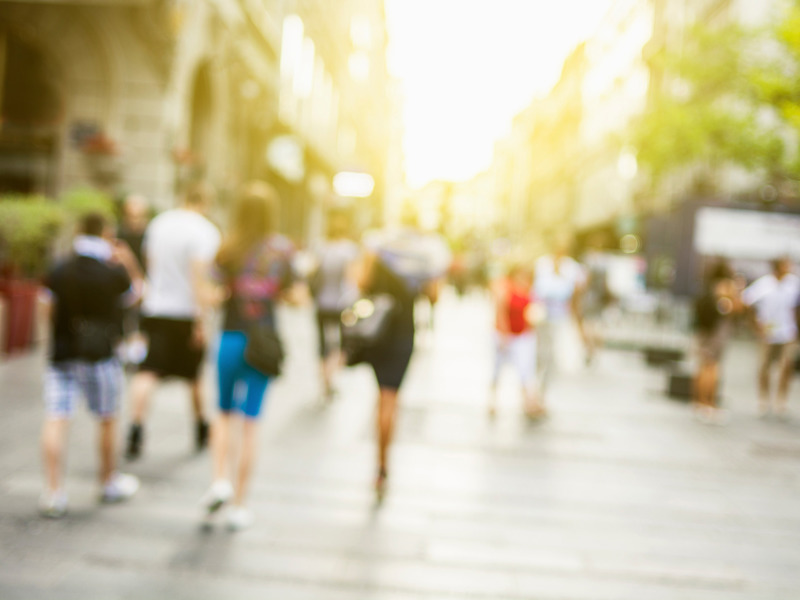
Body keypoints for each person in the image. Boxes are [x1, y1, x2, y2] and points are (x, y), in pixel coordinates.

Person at [200, 182, 295, 530]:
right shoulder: (281, 251)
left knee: (222, 414)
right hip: (262, 343)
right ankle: (240, 505)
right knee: (250, 423)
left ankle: (218, 481)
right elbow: (297, 295)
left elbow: (210, 293)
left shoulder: (228, 247)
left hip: (229, 338)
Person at [39, 212, 143, 517]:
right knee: (107, 416)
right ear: (106, 233)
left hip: (62, 354)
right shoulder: (112, 271)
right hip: (101, 354)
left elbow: (46, 306)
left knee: (56, 417)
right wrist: (129, 262)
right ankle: (108, 480)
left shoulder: (60, 268)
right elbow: (136, 295)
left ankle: (53, 492)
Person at [125, 182, 221, 460]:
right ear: (205, 203)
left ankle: (136, 426)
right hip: (186, 313)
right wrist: (202, 320)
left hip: (156, 308)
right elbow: (198, 277)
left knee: (148, 371)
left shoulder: (159, 224)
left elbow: (150, 263)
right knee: (193, 376)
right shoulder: (205, 231)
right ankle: (201, 427)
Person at [357, 225, 449, 498]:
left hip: (377, 330)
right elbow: (434, 296)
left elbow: (362, 282)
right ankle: (383, 466)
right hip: (403, 334)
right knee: (391, 398)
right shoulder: (425, 255)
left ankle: (379, 461)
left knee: (380, 396)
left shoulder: (379, 247)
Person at [532, 233, 588, 406]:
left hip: (558, 316)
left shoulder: (572, 268)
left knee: (551, 356)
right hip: (540, 315)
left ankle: (542, 392)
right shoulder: (542, 264)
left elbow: (577, 295)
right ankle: (532, 388)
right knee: (539, 353)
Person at [742, 257, 800, 418]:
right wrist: (756, 325)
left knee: (786, 366)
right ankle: (764, 398)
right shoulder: (764, 284)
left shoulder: (793, 283)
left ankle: (780, 400)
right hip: (768, 333)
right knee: (764, 366)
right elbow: (747, 302)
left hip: (788, 332)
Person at [311, 213, 359, 401]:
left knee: (322, 343)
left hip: (321, 303)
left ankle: (324, 380)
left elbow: (312, 273)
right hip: (341, 304)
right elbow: (350, 279)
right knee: (339, 344)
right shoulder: (349, 250)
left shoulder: (321, 248)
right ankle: (331, 377)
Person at [489, 263, 543, 418]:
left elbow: (533, 314)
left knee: (526, 370)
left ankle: (528, 403)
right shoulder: (505, 288)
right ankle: (493, 400)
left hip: (523, 336)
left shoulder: (529, 291)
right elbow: (500, 312)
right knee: (497, 369)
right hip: (505, 335)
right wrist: (504, 336)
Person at [692, 260, 739, 424]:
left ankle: (699, 403)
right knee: (711, 367)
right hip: (716, 333)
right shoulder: (724, 285)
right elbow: (734, 307)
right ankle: (708, 404)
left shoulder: (708, 284)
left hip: (704, 331)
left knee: (703, 366)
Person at [116, 193, 151, 366]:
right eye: (131, 215)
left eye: (138, 215)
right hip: (122, 284)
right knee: (123, 319)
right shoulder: (119, 234)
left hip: (145, 283)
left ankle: (138, 353)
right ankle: (125, 352)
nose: (134, 219)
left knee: (142, 319)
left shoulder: (150, 234)